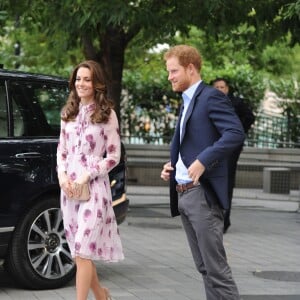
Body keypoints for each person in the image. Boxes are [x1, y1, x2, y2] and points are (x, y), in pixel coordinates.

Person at [161, 45, 244, 300]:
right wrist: (173, 165)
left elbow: (235, 133)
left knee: (216, 270)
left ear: (190, 68)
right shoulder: (187, 101)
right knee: (205, 268)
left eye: (173, 71)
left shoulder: (211, 97)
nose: (169, 77)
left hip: (202, 197)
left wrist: (203, 161)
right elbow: (192, 141)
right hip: (185, 193)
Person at [57, 60, 124, 300]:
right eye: (78, 79)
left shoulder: (107, 114)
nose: (81, 84)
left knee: (83, 251)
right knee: (78, 252)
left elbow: (114, 156)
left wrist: (89, 173)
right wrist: (62, 176)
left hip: (94, 189)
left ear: (96, 83)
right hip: (70, 190)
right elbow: (61, 151)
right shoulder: (68, 114)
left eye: (87, 79)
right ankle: (101, 295)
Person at [212, 77, 255, 233]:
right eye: (216, 87)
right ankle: (212, 217)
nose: (219, 89)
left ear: (227, 88)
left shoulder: (237, 103)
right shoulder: (209, 103)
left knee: (227, 180)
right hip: (213, 146)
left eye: (222, 87)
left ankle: (224, 219)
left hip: (230, 148)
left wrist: (237, 132)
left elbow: (250, 117)